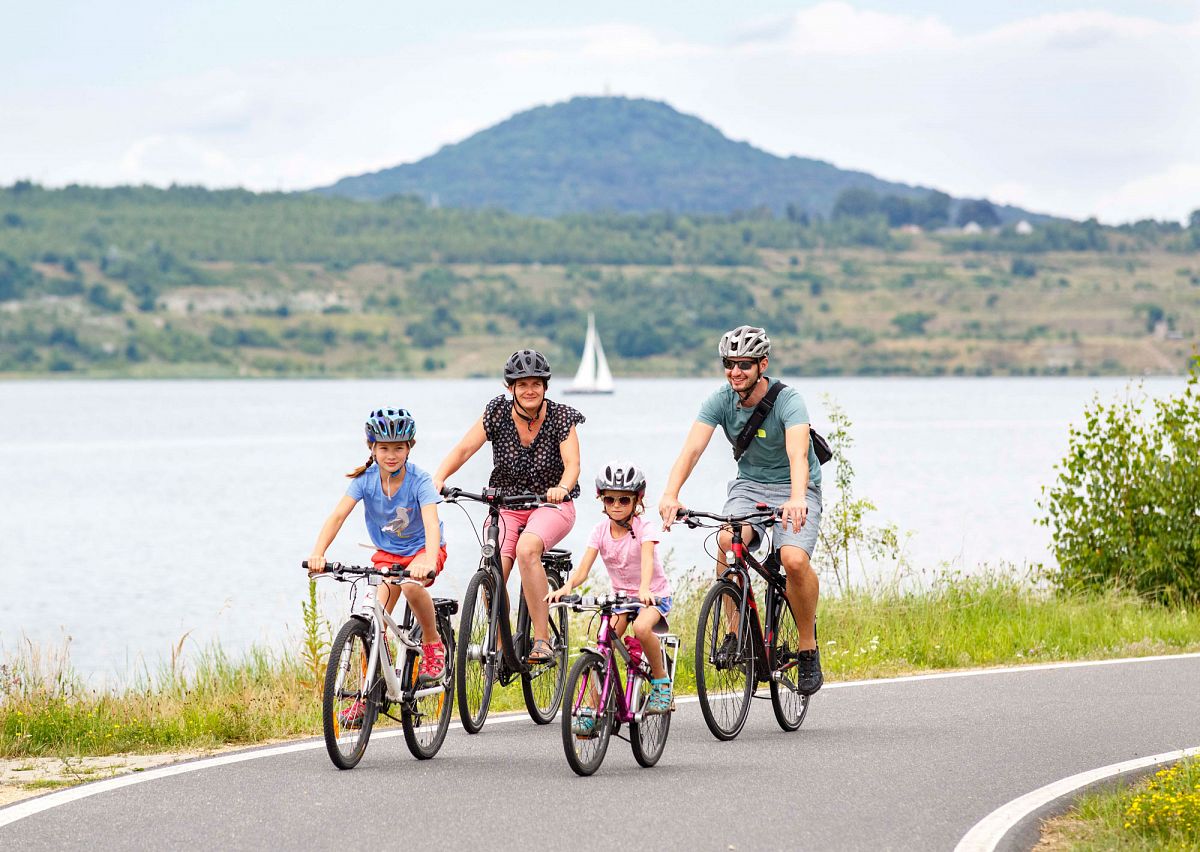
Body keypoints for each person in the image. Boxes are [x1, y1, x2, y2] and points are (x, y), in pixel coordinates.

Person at [658, 325, 824, 695]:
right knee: (727, 541)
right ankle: (735, 634)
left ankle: (808, 647)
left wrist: (797, 498)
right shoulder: (720, 400)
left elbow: (798, 454)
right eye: (729, 364)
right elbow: (692, 451)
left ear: (762, 364)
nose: (736, 371)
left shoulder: (789, 401)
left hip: (798, 486)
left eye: (745, 364)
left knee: (794, 560)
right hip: (749, 486)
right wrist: (671, 494)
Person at [433, 349, 584, 664]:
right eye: (522, 384)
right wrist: (439, 477)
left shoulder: (562, 417)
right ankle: (502, 646)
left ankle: (542, 640)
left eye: (536, 384)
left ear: (545, 386)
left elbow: (572, 465)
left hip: (551, 505)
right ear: (510, 387)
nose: (529, 390)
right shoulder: (496, 414)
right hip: (507, 504)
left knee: (528, 549)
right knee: (493, 570)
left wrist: (562, 488)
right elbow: (463, 449)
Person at [308, 408, 447, 725]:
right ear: (371, 448)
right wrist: (318, 553)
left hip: (422, 551)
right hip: (387, 554)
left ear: (409, 447)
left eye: (399, 447)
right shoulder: (365, 480)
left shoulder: (420, 480)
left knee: (411, 586)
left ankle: (432, 642)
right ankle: (366, 694)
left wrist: (426, 560)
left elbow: (431, 523)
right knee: (372, 620)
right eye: (384, 447)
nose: (391, 454)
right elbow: (338, 516)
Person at [548, 461, 674, 725]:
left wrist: (643, 589)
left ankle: (661, 683)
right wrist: (567, 587)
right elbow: (583, 570)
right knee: (603, 639)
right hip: (621, 599)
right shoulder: (599, 531)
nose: (617, 505)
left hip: (652, 595)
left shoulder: (644, 528)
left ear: (636, 500)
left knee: (641, 628)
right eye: (610, 499)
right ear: (601, 500)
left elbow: (648, 560)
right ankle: (595, 707)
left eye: (624, 500)